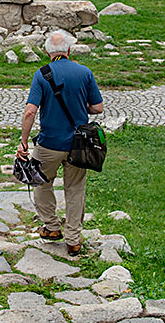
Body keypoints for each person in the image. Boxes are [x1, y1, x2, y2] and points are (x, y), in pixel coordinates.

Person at [16, 30, 104, 257]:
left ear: (47, 53)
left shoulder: (41, 75)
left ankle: (52, 226)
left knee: (40, 182)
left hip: (49, 144)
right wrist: (81, 105)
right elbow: (97, 107)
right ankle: (73, 240)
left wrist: (23, 142)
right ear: (69, 51)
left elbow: (30, 112)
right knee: (75, 189)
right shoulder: (84, 72)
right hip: (78, 145)